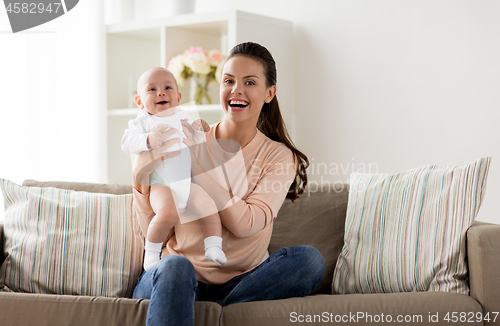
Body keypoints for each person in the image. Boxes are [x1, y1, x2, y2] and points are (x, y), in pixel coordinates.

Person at [131, 42, 326, 326]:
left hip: (243, 282)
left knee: (310, 261)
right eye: (228, 81)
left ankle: (214, 312)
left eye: (249, 82)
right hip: (180, 277)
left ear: (269, 93)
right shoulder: (190, 136)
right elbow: (156, 220)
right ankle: (209, 312)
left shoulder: (279, 157)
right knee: (174, 266)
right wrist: (140, 182)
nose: (236, 90)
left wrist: (199, 168)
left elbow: (245, 225)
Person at [122, 67, 227, 271]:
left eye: (167, 87)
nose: (161, 92)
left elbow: (193, 145)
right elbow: (126, 142)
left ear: (178, 97)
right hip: (160, 183)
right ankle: (152, 253)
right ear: (139, 101)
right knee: (167, 212)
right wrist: (147, 140)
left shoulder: (182, 116)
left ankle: (213, 245)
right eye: (152, 89)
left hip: (186, 181)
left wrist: (199, 130)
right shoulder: (143, 121)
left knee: (208, 205)